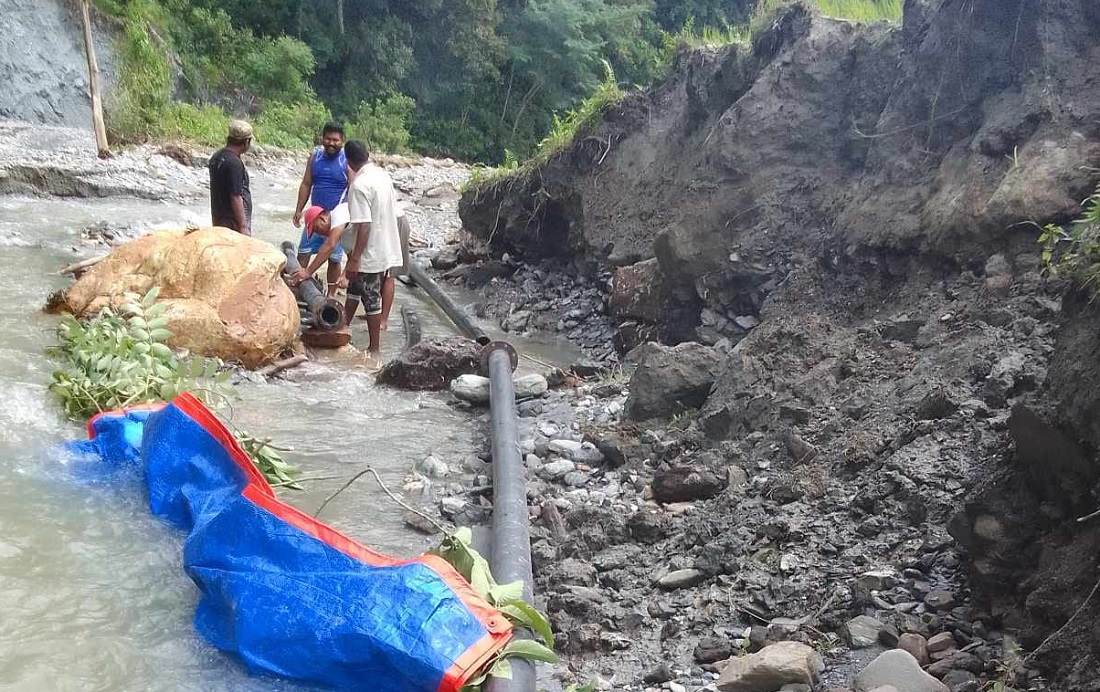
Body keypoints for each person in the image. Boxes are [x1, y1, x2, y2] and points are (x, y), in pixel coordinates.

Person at [341, 140, 403, 360]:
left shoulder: (359, 186)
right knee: (354, 288)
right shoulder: (382, 175)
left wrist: (355, 258)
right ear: (367, 154)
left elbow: (363, 225)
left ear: (347, 161)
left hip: (370, 249)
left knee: (370, 297)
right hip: (385, 243)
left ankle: (374, 349)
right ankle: (343, 329)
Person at [291, 121, 348, 295]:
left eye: (336, 140)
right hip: (316, 218)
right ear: (322, 139)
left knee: (334, 258)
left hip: (337, 221)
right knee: (304, 251)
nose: (331, 143)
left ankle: (331, 294)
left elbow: (354, 190)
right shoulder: (315, 157)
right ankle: (298, 287)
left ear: (342, 141)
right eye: (328, 139)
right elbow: (306, 183)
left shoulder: (346, 160)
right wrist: (299, 209)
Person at [208, 120, 253, 235]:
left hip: (219, 220)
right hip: (233, 224)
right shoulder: (234, 163)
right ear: (246, 142)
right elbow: (235, 196)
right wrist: (243, 226)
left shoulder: (217, 157)